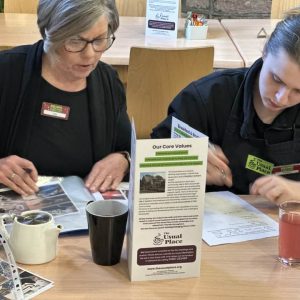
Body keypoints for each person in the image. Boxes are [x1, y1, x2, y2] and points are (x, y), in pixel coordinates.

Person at [152, 7, 300, 205]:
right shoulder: (206, 98)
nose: (281, 98)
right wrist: (182, 161)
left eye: (298, 91)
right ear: (264, 51)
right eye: (276, 78)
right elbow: (149, 170)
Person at [0, 0, 131, 196]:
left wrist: (123, 160)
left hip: (86, 214)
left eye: (99, 40)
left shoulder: (108, 82)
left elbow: (126, 146)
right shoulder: (7, 72)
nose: (89, 55)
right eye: (75, 41)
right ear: (49, 34)